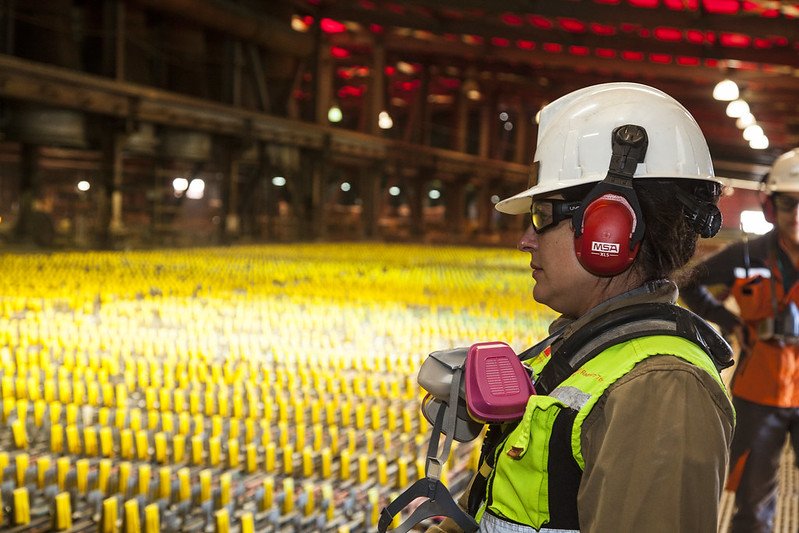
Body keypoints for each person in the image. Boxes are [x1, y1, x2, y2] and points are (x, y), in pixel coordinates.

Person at [411, 82, 736, 533]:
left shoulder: (660, 390)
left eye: (543, 216)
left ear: (610, 226)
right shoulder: (582, 350)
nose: (524, 240)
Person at [680, 148, 799, 533]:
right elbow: (691, 281)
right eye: (788, 203)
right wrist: (728, 321)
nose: (797, 215)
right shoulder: (747, 254)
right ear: (771, 206)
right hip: (757, 397)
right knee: (753, 504)